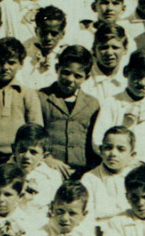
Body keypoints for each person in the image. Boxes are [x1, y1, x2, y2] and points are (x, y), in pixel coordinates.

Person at [92, 48, 145, 171]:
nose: (142, 83)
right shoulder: (111, 103)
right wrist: (117, 161)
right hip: (114, 168)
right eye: (137, 76)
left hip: (144, 169)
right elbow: (98, 139)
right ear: (126, 72)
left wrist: (144, 163)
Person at [39, 44, 100, 172]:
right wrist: (46, 158)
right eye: (66, 73)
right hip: (48, 167)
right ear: (57, 68)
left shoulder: (92, 104)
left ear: (87, 77)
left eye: (78, 76)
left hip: (81, 170)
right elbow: (33, 135)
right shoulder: (40, 97)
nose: (70, 79)